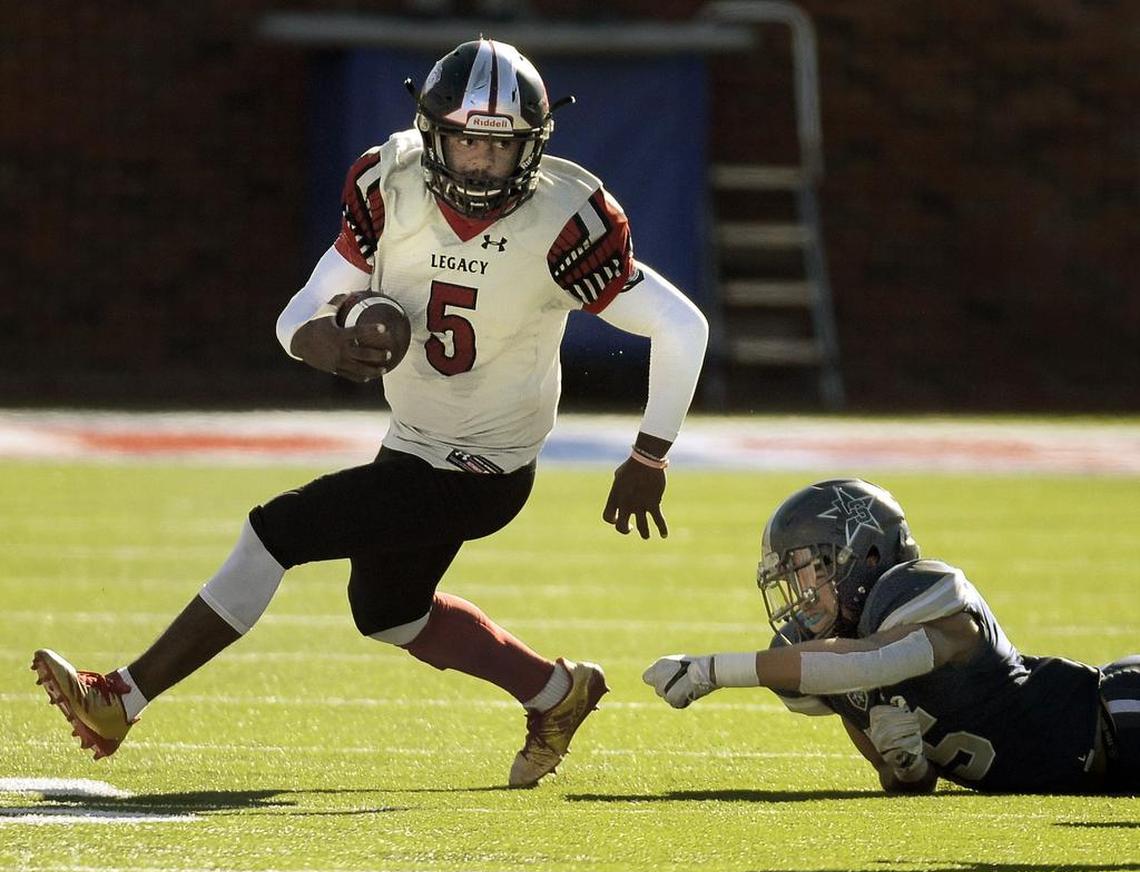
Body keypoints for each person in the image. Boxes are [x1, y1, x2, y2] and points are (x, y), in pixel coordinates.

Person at [32, 38, 708, 788]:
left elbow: (681, 327)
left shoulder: (565, 219)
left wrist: (650, 454)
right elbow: (302, 308)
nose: (481, 163)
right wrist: (313, 341)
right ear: (431, 132)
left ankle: (120, 698)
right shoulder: (390, 186)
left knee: (274, 532)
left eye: (500, 146)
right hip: (415, 443)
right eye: (465, 141)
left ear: (534, 147)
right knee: (388, 613)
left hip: (483, 467)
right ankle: (557, 691)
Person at [643, 478, 1140, 794]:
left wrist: (716, 670)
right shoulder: (831, 664)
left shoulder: (917, 594)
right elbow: (904, 780)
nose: (801, 592)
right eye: (792, 578)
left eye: (811, 569)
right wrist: (907, 765)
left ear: (868, 557)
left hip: (1118, 717)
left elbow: (873, 660)